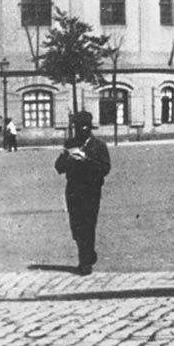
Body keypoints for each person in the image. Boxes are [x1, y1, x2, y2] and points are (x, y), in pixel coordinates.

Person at [54, 111, 111, 275]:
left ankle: (85, 262)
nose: (81, 130)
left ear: (90, 127)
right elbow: (58, 168)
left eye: (84, 127)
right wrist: (66, 156)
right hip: (73, 190)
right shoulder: (70, 144)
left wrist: (86, 159)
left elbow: (105, 168)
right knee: (76, 226)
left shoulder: (98, 145)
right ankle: (88, 254)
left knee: (88, 224)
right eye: (78, 127)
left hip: (91, 191)